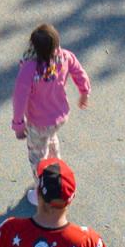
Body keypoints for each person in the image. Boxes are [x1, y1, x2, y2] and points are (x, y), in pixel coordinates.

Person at [10, 25, 91, 206]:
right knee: (51, 139)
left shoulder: (29, 69)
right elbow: (79, 72)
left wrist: (18, 125)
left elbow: (19, 98)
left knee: (37, 156)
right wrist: (84, 91)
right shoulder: (64, 57)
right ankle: (57, 170)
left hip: (38, 123)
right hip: (59, 117)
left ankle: (41, 192)